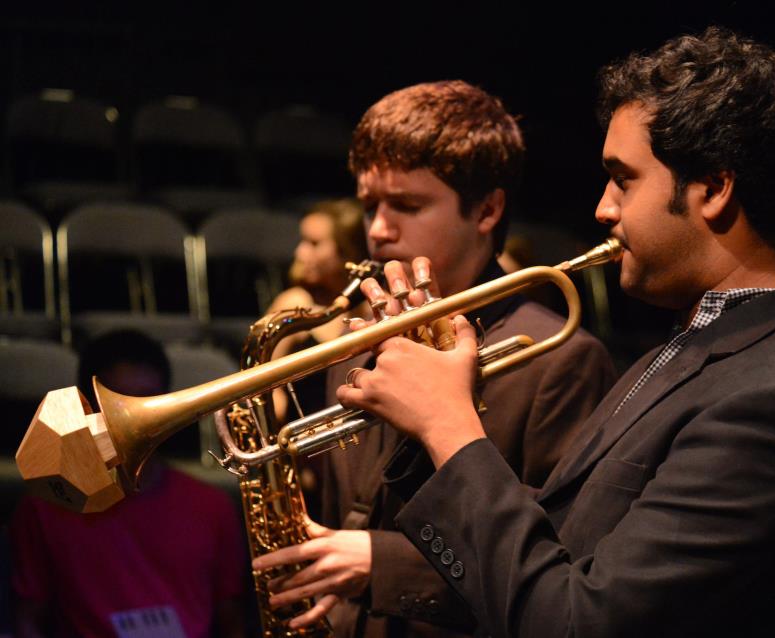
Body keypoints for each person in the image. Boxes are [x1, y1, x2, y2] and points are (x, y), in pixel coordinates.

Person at [256, 28, 775, 636]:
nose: (603, 208)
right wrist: (423, 432)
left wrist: (449, 425)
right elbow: (547, 546)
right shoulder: (701, 345)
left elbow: (577, 622)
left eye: (623, 179)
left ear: (713, 187)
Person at [259, 80, 617, 636]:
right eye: (369, 205)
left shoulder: (560, 361)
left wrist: (381, 563)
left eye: (407, 205)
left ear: (488, 209)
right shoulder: (351, 339)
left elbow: (559, 578)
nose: (378, 229)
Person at [10, 330, 247, 638]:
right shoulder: (45, 508)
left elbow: (232, 621)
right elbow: (28, 621)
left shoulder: (212, 506)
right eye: (117, 404)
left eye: (146, 401)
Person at [268, 198, 369, 421]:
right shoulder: (295, 303)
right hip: (302, 445)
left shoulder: (373, 307)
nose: (300, 253)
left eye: (313, 244)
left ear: (346, 251)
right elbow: (265, 389)